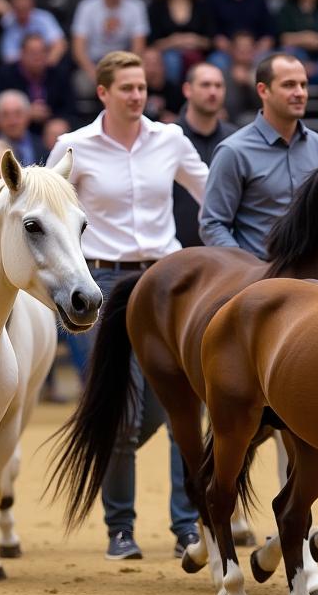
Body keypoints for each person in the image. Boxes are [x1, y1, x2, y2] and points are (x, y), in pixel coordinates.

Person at [46, 50, 209, 560]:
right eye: (126, 88)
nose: (136, 96)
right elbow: (43, 208)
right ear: (103, 93)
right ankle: (122, 528)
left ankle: (187, 525)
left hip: (169, 283)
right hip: (104, 283)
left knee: (181, 404)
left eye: (141, 87)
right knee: (123, 408)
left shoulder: (171, 140)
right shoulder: (73, 147)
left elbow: (211, 193)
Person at [200, 52, 318, 256]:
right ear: (263, 90)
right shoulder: (234, 151)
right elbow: (212, 224)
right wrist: (244, 269)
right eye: (288, 85)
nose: (300, 93)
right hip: (258, 280)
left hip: (313, 280)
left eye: (303, 85)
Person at [172, 63, 237, 249]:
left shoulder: (235, 140)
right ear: (187, 89)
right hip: (176, 252)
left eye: (219, 86)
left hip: (223, 253)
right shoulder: (168, 138)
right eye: (205, 85)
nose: (213, 92)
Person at [70, 0, 150, 99]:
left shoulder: (137, 6)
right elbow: (78, 50)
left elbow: (138, 48)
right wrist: (95, 74)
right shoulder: (86, 7)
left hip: (124, 63)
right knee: (82, 84)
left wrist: (125, 72)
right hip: (94, 64)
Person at [148, 0, 214, 85]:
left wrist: (194, 40)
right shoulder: (157, 6)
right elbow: (151, 43)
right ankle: (174, 100)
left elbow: (211, 39)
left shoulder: (202, 4)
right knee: (172, 59)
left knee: (217, 61)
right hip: (167, 54)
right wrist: (173, 41)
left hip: (199, 52)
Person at [0, 33, 75, 122]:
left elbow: (70, 108)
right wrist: (26, 112)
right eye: (33, 52)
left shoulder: (59, 74)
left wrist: (53, 118)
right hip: (20, 124)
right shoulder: (6, 75)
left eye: (42, 52)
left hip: (51, 123)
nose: (37, 57)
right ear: (22, 54)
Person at [0, 0, 67, 66]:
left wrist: (44, 66)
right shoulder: (8, 21)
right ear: (12, 7)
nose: (22, 11)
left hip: (45, 67)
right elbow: (8, 57)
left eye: (25, 7)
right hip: (19, 71)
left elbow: (60, 45)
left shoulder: (44, 18)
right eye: (18, 8)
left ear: (32, 5)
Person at [0, 89, 45, 166]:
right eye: (5, 115)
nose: (12, 121)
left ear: (28, 115)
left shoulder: (44, 145)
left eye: (18, 114)